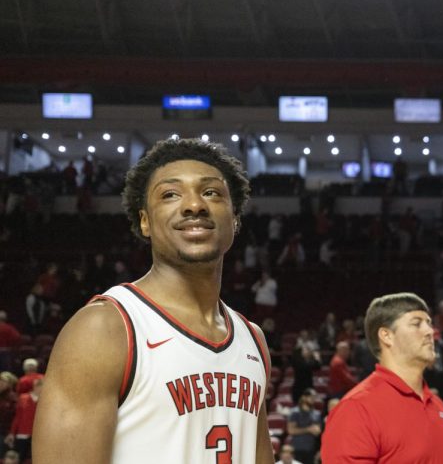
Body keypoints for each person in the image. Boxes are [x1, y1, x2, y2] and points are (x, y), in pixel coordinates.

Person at [33, 138, 274, 463]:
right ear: (144, 221)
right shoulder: (104, 330)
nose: (194, 206)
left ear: (235, 218)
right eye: (170, 194)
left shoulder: (252, 339)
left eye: (211, 192)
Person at [321, 293, 443, 463]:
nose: (430, 331)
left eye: (429, 323)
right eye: (416, 324)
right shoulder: (356, 408)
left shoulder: (439, 406)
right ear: (386, 336)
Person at [5, 378, 40, 461]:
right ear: (36, 387)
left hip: (38, 435)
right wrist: (12, 433)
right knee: (20, 458)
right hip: (23, 434)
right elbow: (18, 417)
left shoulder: (45, 400)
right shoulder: (23, 398)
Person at [288, 388, 322, 464]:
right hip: (297, 449)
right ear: (304, 397)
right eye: (311, 397)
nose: (313, 399)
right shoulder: (295, 412)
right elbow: (291, 430)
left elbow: (317, 431)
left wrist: (316, 430)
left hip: (311, 449)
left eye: (314, 397)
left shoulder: (317, 414)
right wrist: (308, 429)